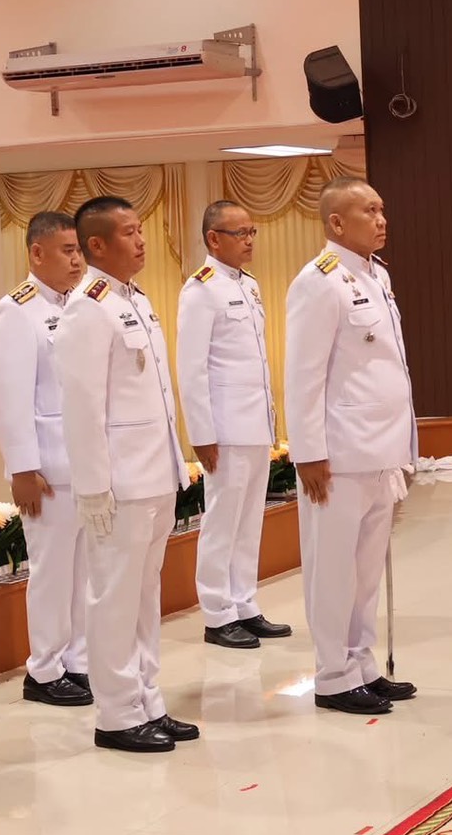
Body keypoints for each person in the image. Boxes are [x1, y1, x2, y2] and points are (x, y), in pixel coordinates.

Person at [56, 196, 198, 753]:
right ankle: (116, 714)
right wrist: (94, 488)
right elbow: (82, 406)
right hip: (118, 483)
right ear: (96, 244)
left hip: (153, 474)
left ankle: (147, 700)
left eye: (142, 230)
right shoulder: (87, 308)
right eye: (130, 232)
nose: (141, 241)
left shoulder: (133, 299)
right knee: (114, 598)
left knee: (143, 596)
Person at [285, 176, 419, 715]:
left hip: (379, 449)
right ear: (337, 222)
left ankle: (361, 664)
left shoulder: (376, 274)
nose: (381, 219)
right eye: (369, 211)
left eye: (382, 209)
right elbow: (303, 374)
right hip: (338, 454)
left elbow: (389, 367)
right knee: (333, 568)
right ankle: (333, 676)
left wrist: (404, 448)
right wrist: (309, 453)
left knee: (366, 570)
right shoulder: (319, 282)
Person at [0, 211, 94, 709]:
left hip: (85, 464)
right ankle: (44, 670)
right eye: (67, 250)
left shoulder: (83, 304)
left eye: (79, 250)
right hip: (47, 469)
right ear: (36, 253)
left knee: (84, 572)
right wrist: (22, 468)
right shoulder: (15, 312)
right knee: (51, 573)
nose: (76, 260)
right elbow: (7, 398)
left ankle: (78, 660)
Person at [177, 201, 291, 650]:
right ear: (213, 238)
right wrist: (202, 434)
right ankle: (217, 612)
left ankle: (245, 603)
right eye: (239, 233)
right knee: (222, 520)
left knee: (249, 520)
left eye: (251, 232)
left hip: (254, 421)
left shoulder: (249, 285)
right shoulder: (200, 290)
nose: (248, 240)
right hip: (224, 427)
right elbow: (192, 368)